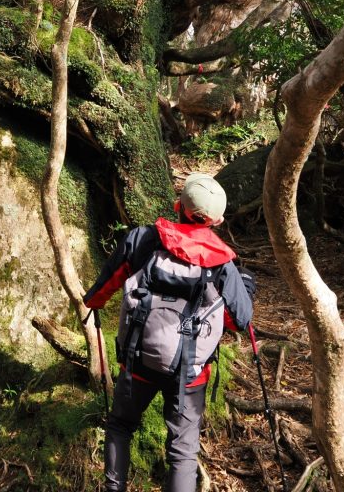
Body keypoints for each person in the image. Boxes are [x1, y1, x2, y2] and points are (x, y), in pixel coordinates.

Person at [83, 173, 255, 492]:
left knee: (120, 425)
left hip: (138, 360)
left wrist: (95, 303)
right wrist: (245, 288)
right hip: (190, 373)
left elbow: (99, 293)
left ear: (179, 206)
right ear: (216, 220)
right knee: (182, 454)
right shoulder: (223, 265)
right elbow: (239, 321)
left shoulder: (142, 240)